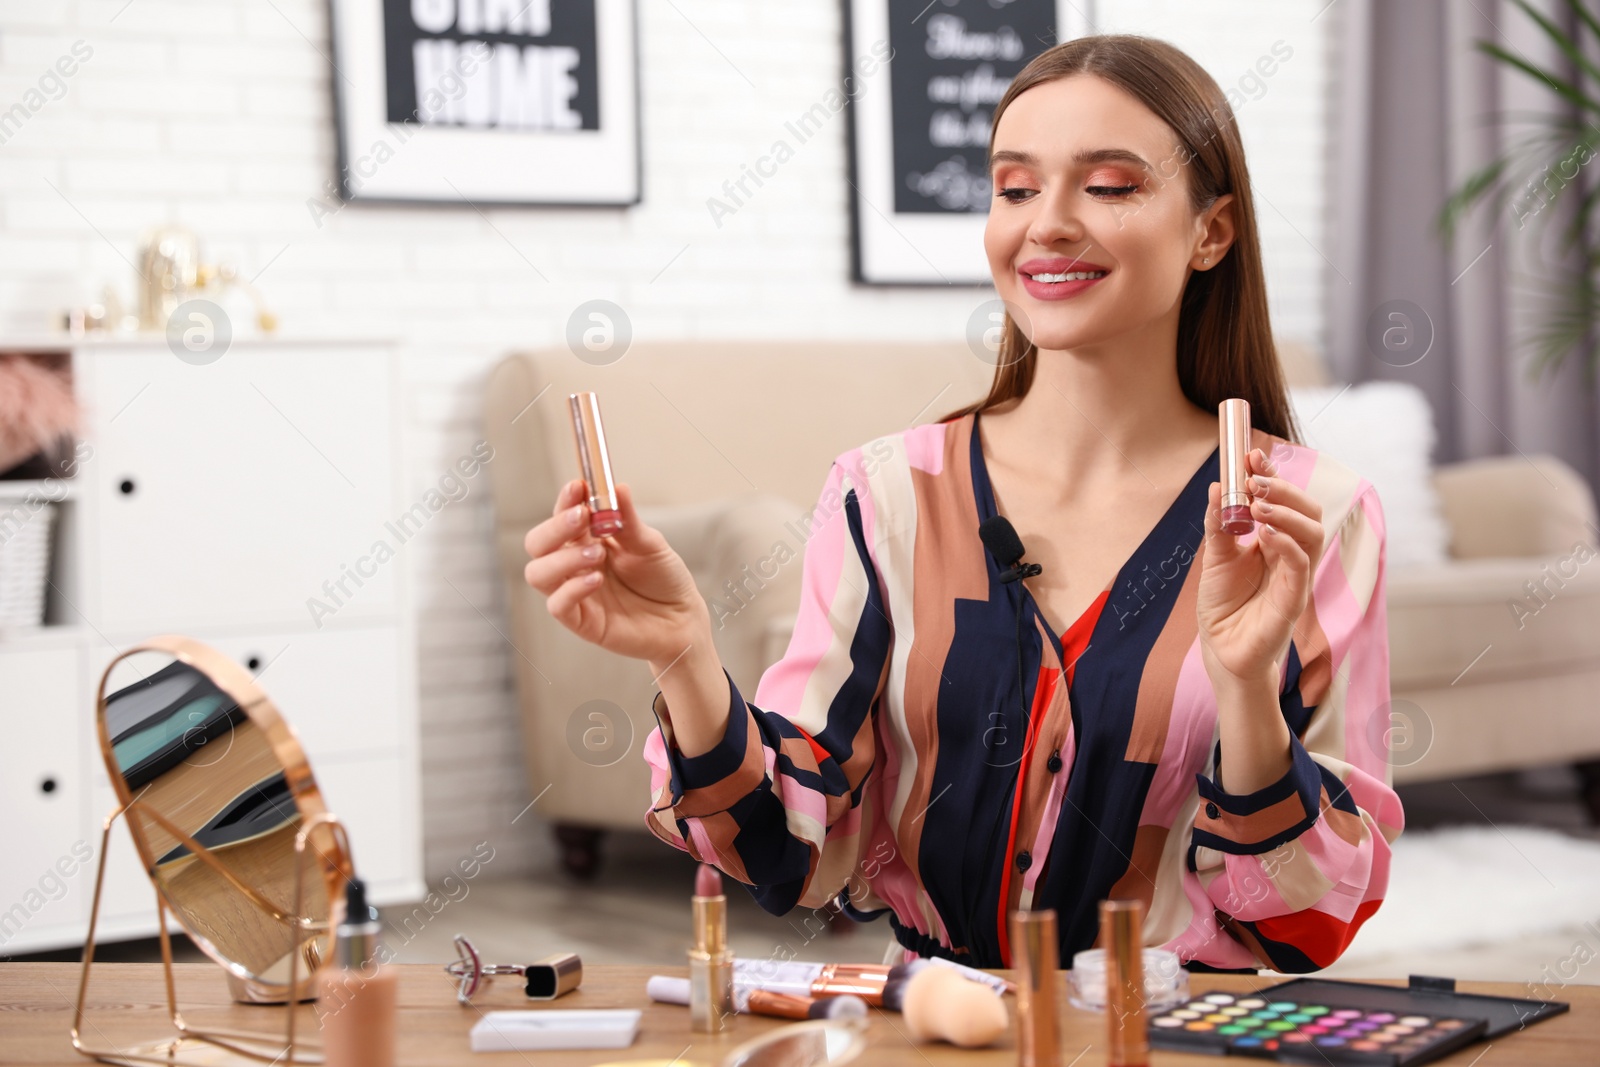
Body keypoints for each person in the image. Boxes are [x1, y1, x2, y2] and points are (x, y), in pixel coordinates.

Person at [522, 34, 1403, 973]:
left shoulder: (1309, 516)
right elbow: (786, 849)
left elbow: (1308, 918)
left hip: (1172, 1037)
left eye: (1108, 185)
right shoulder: (885, 493)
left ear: (1211, 232)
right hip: (935, 1032)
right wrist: (683, 654)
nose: (1048, 225)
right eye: (1015, 188)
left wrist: (1244, 690)